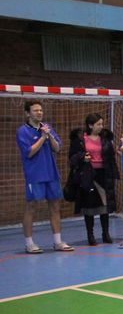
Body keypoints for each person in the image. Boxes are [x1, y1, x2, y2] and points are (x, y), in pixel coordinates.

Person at [16, 99, 73, 253]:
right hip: (34, 175)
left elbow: (57, 148)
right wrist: (42, 138)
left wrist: (49, 136)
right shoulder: (22, 131)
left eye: (41, 110)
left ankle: (58, 242)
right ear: (28, 113)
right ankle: (29, 244)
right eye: (35, 110)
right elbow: (29, 152)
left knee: (55, 206)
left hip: (51, 174)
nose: (39, 113)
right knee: (31, 207)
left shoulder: (47, 128)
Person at [69, 113, 118, 245]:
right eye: (98, 124)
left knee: (104, 205)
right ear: (90, 125)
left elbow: (111, 156)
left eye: (102, 124)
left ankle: (105, 233)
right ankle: (90, 235)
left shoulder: (105, 139)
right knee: (89, 206)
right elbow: (72, 157)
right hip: (88, 174)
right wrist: (82, 158)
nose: (101, 126)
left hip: (103, 174)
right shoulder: (80, 139)